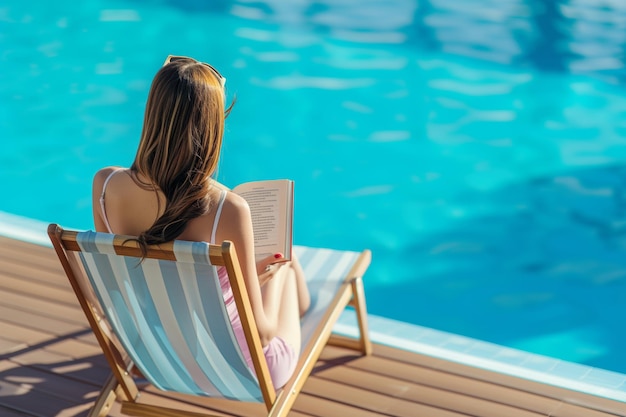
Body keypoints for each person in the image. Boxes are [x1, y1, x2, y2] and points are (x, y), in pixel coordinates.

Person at [91, 55, 310, 389]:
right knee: (288, 262)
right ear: (212, 127)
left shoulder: (105, 186)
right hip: (245, 370)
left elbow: (120, 285)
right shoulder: (226, 209)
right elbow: (262, 334)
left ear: (152, 113)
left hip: (159, 356)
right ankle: (291, 277)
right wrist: (276, 276)